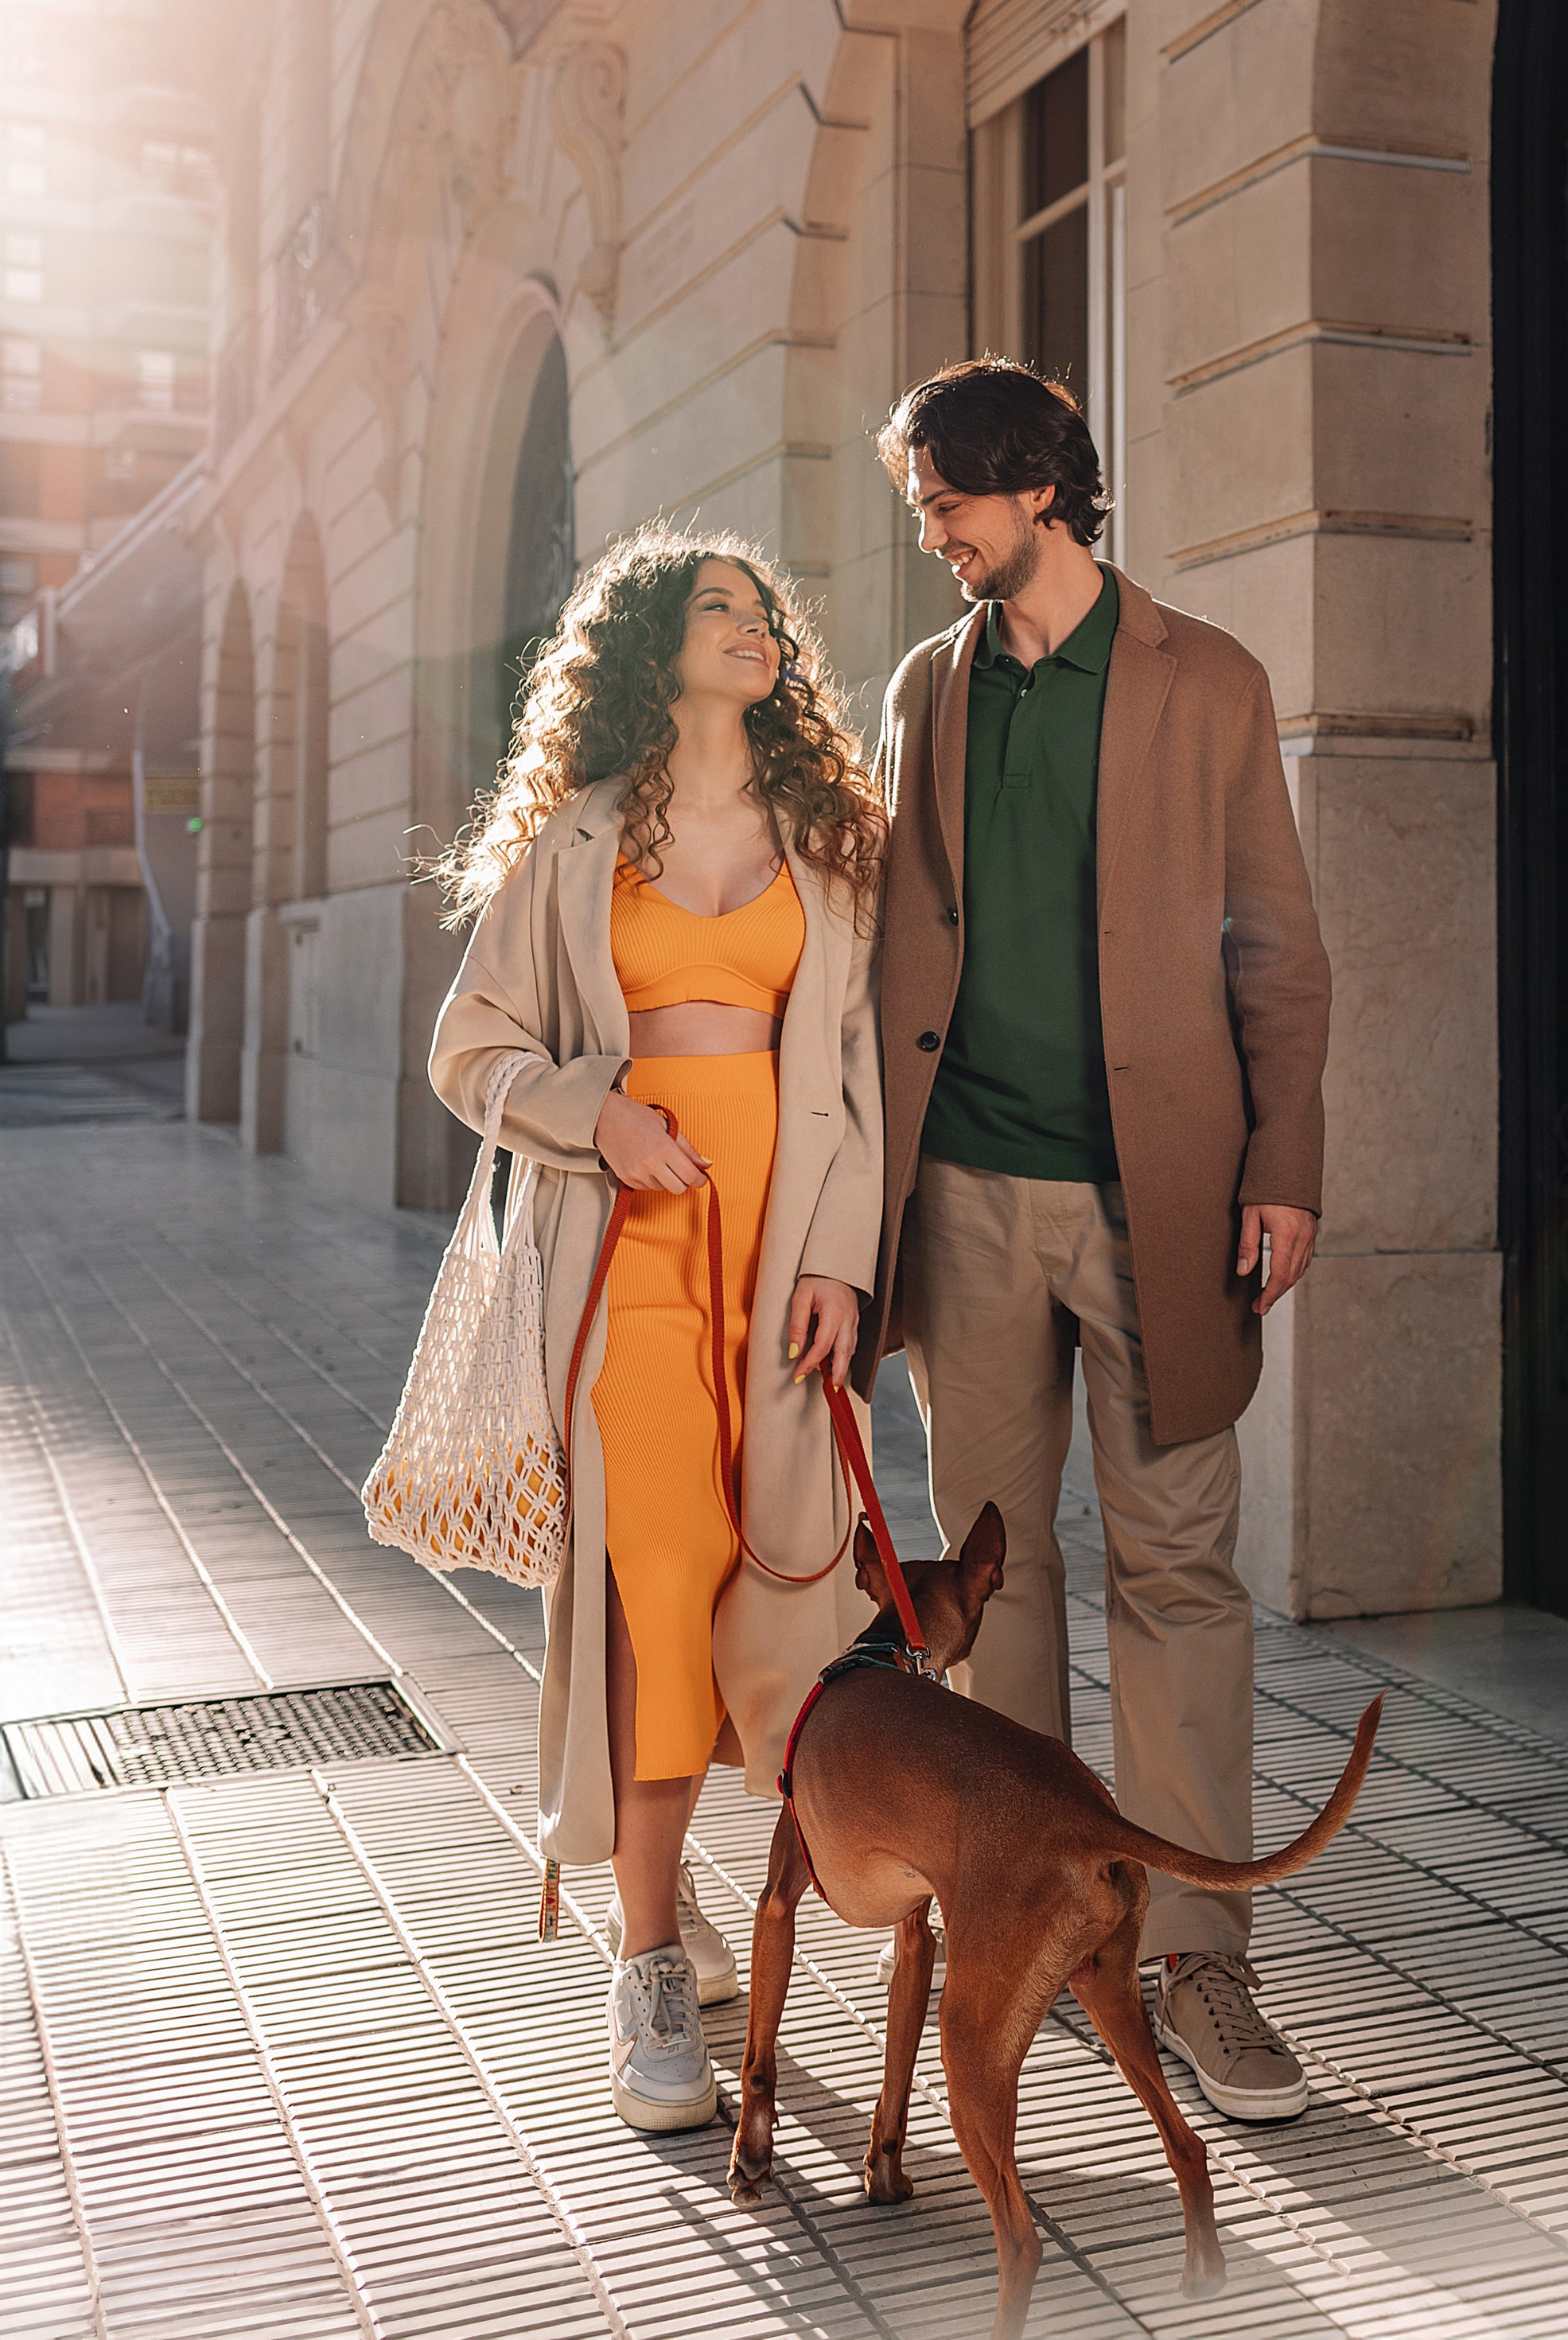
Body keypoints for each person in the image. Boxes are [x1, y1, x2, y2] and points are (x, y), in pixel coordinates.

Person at [869, 359, 1333, 2124]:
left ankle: (1203, 1958)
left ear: (1036, 489)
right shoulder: (929, 687)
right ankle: (1050, 1921)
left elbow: (1276, 946)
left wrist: (1283, 1163)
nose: (932, 532)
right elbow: (894, 933)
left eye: (946, 502)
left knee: (1176, 1572)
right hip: (967, 1195)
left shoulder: (1206, 679)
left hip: (1163, 1197)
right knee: (991, 1583)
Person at [429, 525, 884, 2133]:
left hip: (780, 1262)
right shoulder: (576, 838)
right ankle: (644, 1962)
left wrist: (842, 1265)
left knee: (779, 1585)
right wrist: (596, 1113)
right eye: (716, 608)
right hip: (627, 1255)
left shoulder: (831, 841)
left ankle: (686, 1879)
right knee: (652, 1593)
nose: (753, 629)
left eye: (765, 612)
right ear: (648, 645)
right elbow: (467, 1049)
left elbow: (859, 1079)